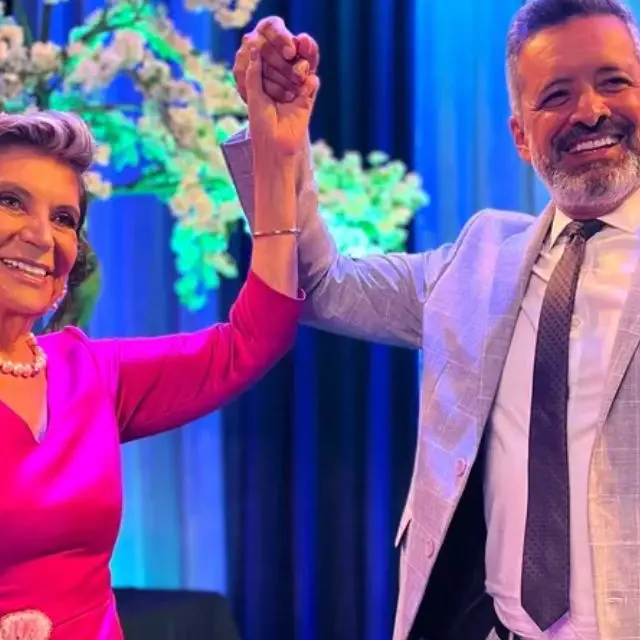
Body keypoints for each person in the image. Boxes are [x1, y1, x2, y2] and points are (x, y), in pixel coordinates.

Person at [225, 1, 640, 639]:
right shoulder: (480, 260)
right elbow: (318, 286)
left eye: (614, 81)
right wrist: (278, 144)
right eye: (557, 95)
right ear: (521, 136)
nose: (590, 110)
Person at [0, 47, 319, 640]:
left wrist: (277, 159)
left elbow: (252, 339)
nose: (42, 235)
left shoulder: (89, 373)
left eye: (65, 217)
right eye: (10, 201)